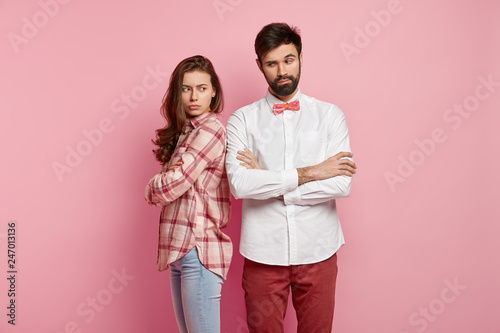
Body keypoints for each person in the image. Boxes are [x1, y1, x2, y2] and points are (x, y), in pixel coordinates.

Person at [225, 23, 357, 332]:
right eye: (271, 63)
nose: (282, 70)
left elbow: (341, 183)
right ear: (260, 66)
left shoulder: (330, 115)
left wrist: (269, 180)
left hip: (319, 250)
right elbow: (240, 185)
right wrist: (311, 173)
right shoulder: (241, 120)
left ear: (300, 58)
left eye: (289, 60)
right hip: (262, 254)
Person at [145, 55, 232, 333]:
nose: (194, 96)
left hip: (200, 250)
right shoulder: (184, 133)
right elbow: (173, 183)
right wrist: (168, 179)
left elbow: (174, 183)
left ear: (213, 91)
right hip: (178, 252)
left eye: (202, 88)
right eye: (186, 88)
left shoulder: (211, 129)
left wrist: (151, 187)